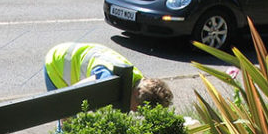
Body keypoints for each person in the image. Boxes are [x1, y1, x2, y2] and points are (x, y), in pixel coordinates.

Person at [43, 42, 173, 111]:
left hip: (79, 56)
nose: (134, 112)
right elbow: (70, 95)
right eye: (138, 108)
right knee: (66, 118)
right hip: (57, 63)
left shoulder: (135, 78)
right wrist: (66, 114)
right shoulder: (105, 81)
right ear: (135, 93)